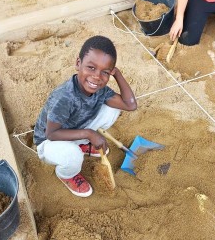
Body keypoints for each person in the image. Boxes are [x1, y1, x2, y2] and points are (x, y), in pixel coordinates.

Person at [33, 35, 137, 197]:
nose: (97, 76)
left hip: (73, 130)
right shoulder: (64, 97)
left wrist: (118, 75)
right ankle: (66, 175)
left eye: (105, 72)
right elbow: (51, 134)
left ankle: (79, 143)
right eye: (91, 67)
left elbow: (130, 104)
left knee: (112, 109)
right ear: (78, 64)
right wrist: (89, 134)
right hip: (49, 144)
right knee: (73, 156)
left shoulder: (100, 89)